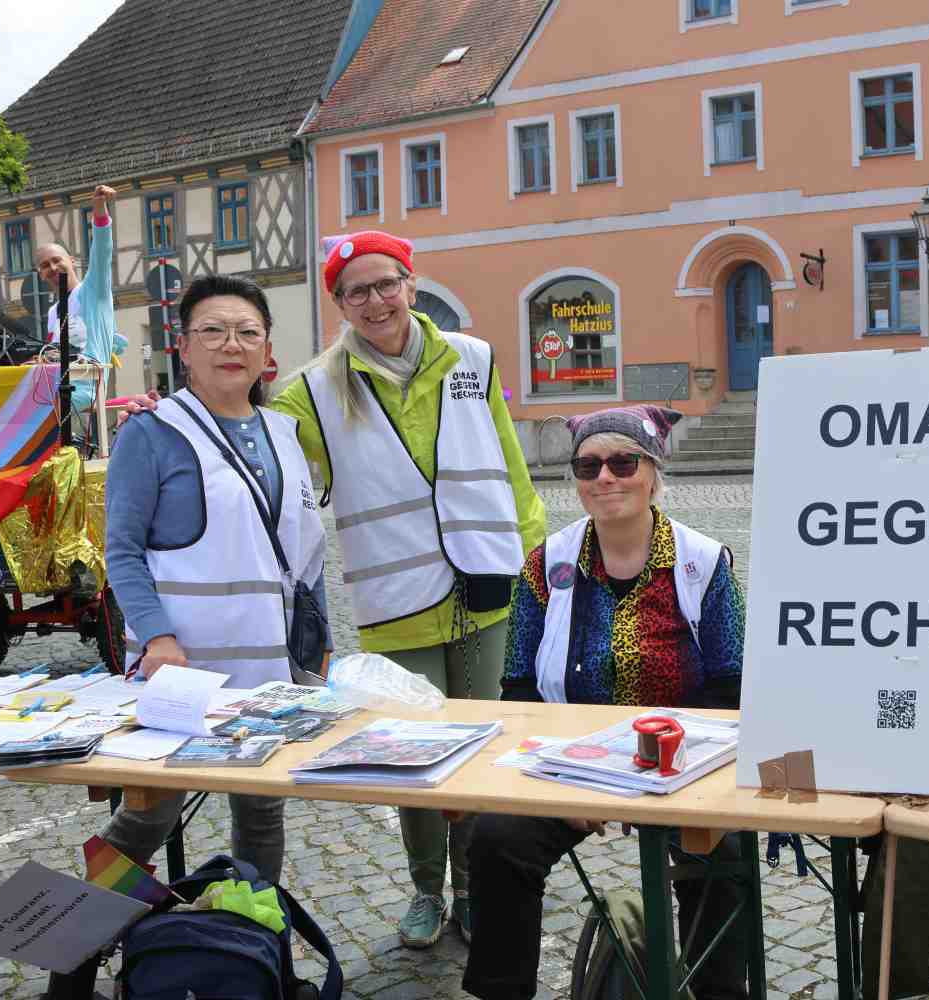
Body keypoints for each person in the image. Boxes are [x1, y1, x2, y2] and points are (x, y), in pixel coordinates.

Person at [122, 230, 546, 947]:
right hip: (379, 603)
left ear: (412, 283)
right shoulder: (311, 392)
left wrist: (533, 556)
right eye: (357, 291)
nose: (376, 300)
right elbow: (224, 452)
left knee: (473, 750)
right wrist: (161, 416)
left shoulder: (471, 359)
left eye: (387, 284)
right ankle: (100, 931)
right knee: (406, 756)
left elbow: (507, 465)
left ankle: (254, 943)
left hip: (480, 584)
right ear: (339, 305)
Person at [48, 274, 328, 999]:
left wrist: (317, 649)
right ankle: (68, 957)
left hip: (268, 669)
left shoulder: (284, 434)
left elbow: (303, 554)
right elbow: (125, 549)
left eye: (247, 331)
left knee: (261, 819)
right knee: (147, 817)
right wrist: (157, 635)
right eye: (214, 330)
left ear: (269, 350)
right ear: (184, 346)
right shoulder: (153, 432)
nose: (231, 344)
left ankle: (258, 959)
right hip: (181, 674)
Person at [463, 404, 748, 1000]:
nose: (605, 478)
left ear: (652, 472)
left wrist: (677, 779)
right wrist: (568, 778)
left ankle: (718, 992)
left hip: (682, 766)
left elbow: (731, 687)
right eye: (588, 466)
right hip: (574, 763)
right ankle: (501, 990)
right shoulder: (545, 564)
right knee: (496, 837)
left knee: (724, 852)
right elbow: (517, 690)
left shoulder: (703, 563)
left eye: (623, 462)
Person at [33, 183, 128, 417]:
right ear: (40, 274)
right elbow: (54, 354)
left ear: (72, 261)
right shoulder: (54, 311)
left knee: (26, 408)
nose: (53, 268)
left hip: (85, 388)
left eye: (57, 260)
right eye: (45, 266)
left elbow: (102, 251)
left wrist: (99, 208)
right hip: (57, 386)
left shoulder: (92, 291)